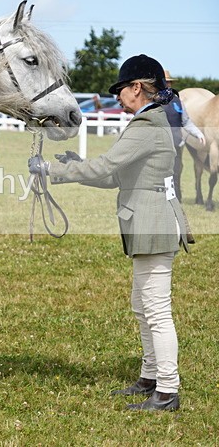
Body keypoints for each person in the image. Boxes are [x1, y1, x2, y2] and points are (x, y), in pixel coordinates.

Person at [29, 54, 189, 412]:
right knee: (142, 305)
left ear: (138, 87)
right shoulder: (150, 121)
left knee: (157, 310)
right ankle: (150, 377)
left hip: (153, 223)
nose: (117, 95)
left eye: (121, 89)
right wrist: (71, 166)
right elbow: (115, 176)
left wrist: (50, 169)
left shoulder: (147, 126)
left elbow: (106, 165)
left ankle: (167, 390)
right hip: (147, 222)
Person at [162, 69, 206, 200]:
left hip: (176, 143)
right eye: (165, 82)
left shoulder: (177, 101)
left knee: (176, 171)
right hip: (160, 144)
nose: (167, 85)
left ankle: (175, 200)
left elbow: (186, 121)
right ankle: (164, 199)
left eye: (169, 83)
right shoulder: (153, 102)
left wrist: (198, 134)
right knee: (162, 173)